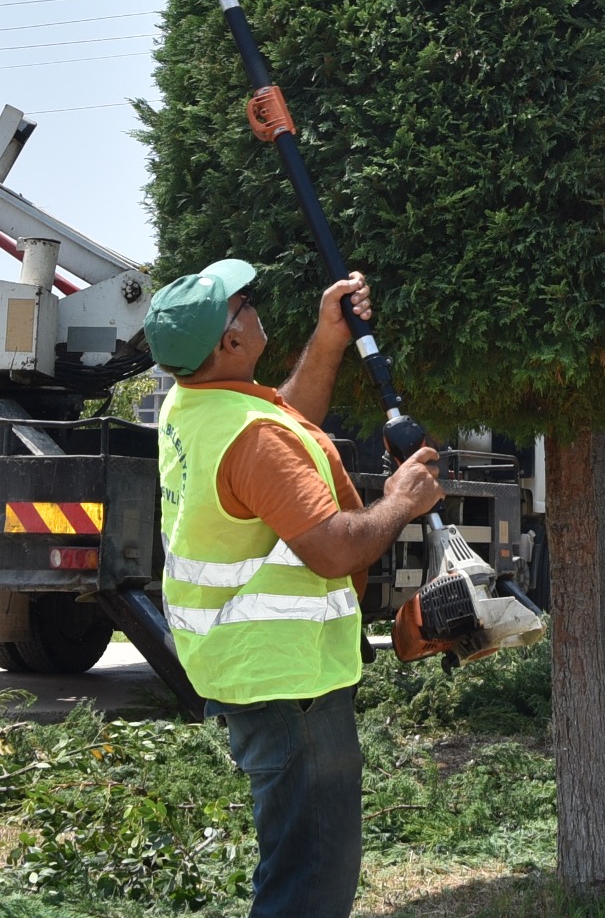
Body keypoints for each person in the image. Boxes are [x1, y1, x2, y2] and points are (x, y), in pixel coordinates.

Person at [145, 260, 446, 918]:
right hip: (292, 686)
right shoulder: (252, 439)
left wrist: (328, 338)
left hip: (250, 672)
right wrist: (399, 502)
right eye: (243, 303)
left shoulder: (196, 405)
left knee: (293, 866)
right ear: (228, 343)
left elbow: (291, 416)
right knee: (309, 882)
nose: (255, 308)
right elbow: (335, 547)